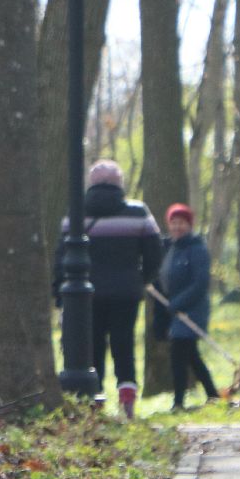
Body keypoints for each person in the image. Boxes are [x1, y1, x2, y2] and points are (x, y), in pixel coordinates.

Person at [54, 159, 163, 419]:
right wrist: (140, 279)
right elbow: (155, 254)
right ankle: (127, 395)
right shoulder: (138, 213)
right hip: (126, 292)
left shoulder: (76, 215)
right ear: (120, 183)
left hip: (86, 294)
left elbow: (61, 256)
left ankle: (96, 399)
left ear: (91, 183)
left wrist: (59, 293)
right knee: (124, 343)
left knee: (92, 345)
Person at [156, 203, 217, 412]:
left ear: (189, 225)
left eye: (181, 223)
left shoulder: (197, 249)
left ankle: (179, 402)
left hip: (192, 310)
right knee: (191, 355)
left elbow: (200, 284)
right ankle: (213, 395)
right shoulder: (170, 248)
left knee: (179, 354)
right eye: (173, 223)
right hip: (175, 310)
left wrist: (179, 303)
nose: (177, 227)